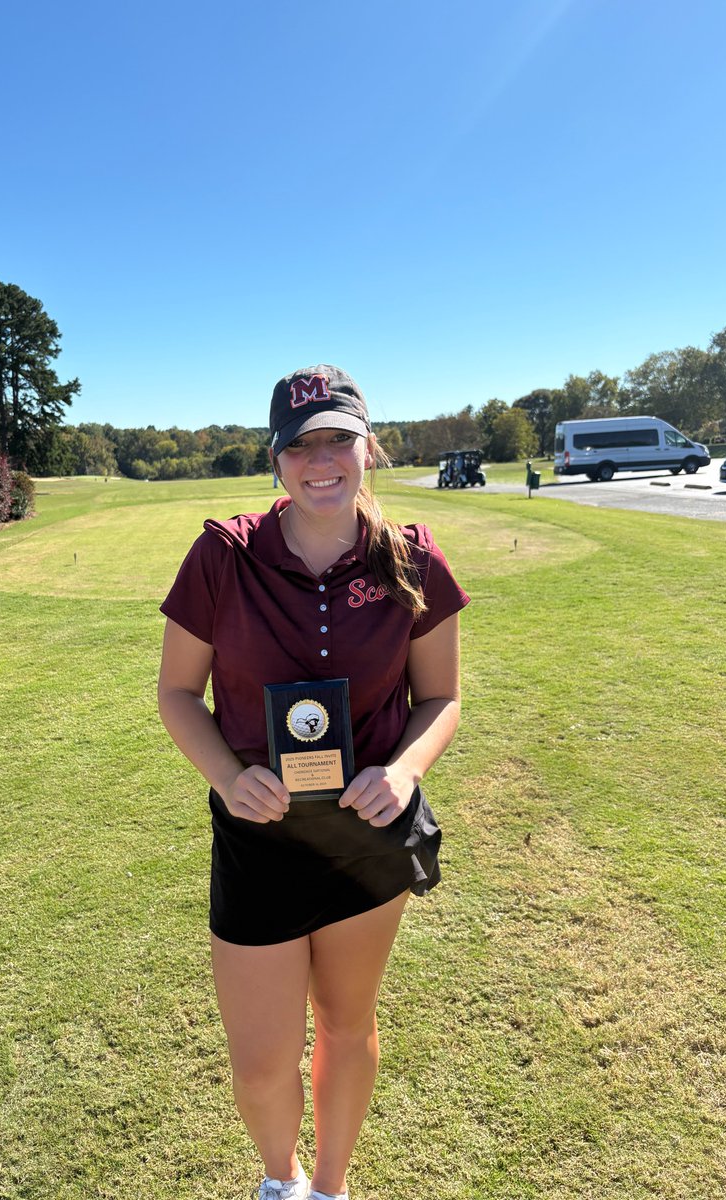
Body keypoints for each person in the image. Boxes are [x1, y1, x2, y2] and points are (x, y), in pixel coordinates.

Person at [157, 365, 469, 1200]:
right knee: (260, 1064)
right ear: (276, 457)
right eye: (301, 443)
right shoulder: (224, 556)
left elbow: (440, 698)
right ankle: (280, 1181)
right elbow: (177, 693)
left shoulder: (412, 560)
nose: (320, 458)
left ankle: (329, 1188)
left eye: (338, 438)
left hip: (365, 841)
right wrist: (226, 776)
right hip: (258, 840)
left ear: (368, 447)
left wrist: (403, 769)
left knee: (344, 1023)